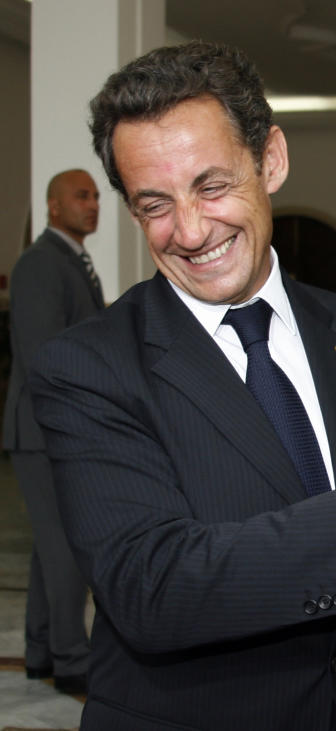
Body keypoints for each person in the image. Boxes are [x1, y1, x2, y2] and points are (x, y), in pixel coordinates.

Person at [28, 41, 336, 730]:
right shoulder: (86, 367)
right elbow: (154, 588)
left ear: (272, 160)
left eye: (211, 185)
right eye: (155, 205)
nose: (191, 230)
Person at [3, 169, 104, 694]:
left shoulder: (72, 261)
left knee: (50, 547)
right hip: (46, 429)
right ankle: (71, 660)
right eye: (80, 196)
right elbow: (45, 355)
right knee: (66, 546)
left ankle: (42, 649)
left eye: (95, 196)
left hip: (55, 429)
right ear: (52, 206)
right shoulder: (42, 263)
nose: (92, 204)